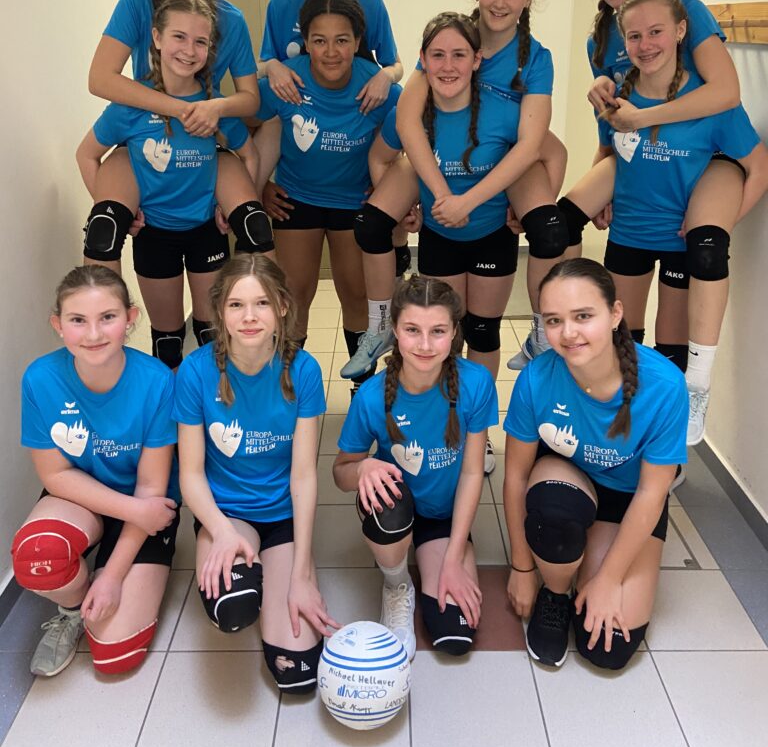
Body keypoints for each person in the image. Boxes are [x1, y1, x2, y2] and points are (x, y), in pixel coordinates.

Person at [558, 0, 768, 442]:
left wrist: (723, 222)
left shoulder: (710, 102)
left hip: (679, 241)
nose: (645, 44)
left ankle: (668, 445)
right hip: (630, 233)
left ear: (680, 31)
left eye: (656, 32)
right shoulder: (616, 97)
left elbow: (758, 167)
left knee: (670, 353)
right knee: (623, 348)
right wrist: (600, 195)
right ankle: (621, 438)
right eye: (634, 36)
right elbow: (607, 152)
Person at [503, 258, 688, 671]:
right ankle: (556, 592)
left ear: (615, 313)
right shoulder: (536, 378)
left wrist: (608, 579)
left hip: (630, 497)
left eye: (583, 316)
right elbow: (515, 476)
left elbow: (652, 492)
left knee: (606, 648)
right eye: (554, 320)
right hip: (567, 480)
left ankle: (588, 564)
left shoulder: (665, 385)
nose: (568, 333)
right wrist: (522, 567)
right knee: (554, 515)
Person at [392, 0, 569, 372]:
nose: (500, 1)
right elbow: (407, 121)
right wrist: (439, 195)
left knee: (548, 237)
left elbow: (534, 146)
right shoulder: (453, 40)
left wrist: (481, 203)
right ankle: (434, 390)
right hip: (445, 179)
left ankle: (540, 334)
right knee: (446, 329)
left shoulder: (535, 59)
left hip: (504, 174)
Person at [76, 0, 272, 371]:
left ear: (210, 50)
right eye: (179, 37)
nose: (189, 50)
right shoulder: (131, 105)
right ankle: (152, 396)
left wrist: (227, 206)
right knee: (167, 343)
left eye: (200, 42)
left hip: (204, 232)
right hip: (155, 235)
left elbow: (249, 154)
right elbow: (86, 155)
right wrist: (123, 214)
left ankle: (214, 401)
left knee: (212, 337)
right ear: (156, 38)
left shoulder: (214, 107)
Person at [350, 11, 546, 386]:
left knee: (482, 333)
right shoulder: (409, 115)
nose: (448, 65)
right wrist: (404, 210)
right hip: (440, 238)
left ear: (477, 60)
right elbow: (380, 158)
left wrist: (527, 208)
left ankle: (479, 416)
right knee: (445, 337)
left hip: (492, 235)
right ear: (422, 61)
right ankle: (448, 410)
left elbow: (552, 154)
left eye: (459, 55)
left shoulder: (505, 112)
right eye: (437, 55)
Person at [175, 254, 339, 694]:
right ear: (219, 310)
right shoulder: (195, 371)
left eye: (262, 303)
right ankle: (252, 578)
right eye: (236, 305)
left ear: (282, 306)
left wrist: (300, 575)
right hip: (227, 515)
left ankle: (281, 573)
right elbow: (190, 474)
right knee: (233, 610)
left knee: (298, 674)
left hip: (282, 516)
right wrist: (221, 532)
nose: (249, 317)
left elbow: (303, 477)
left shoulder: (303, 370)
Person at [11, 266, 178, 678]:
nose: (93, 334)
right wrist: (134, 511)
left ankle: (105, 573)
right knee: (38, 557)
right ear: (58, 325)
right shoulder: (40, 378)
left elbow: (151, 489)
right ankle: (72, 608)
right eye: (77, 320)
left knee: (114, 656)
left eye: (107, 317)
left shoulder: (157, 381)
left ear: (130, 318)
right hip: (83, 497)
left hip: (146, 505)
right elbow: (55, 476)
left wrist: (113, 578)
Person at [334, 275, 496, 659]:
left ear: (454, 332)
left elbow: (473, 472)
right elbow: (340, 472)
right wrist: (363, 468)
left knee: (454, 636)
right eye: (412, 330)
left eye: (437, 331)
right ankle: (396, 584)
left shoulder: (476, 383)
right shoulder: (371, 396)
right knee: (389, 512)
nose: (424, 344)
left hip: (443, 515)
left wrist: (454, 558)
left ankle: (439, 552)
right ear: (394, 330)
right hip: (397, 507)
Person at [87, 0, 264, 259]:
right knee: (103, 231)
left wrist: (214, 108)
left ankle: (247, 293)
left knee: (253, 226)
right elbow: (100, 79)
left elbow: (250, 99)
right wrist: (183, 110)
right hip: (144, 134)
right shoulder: (137, 3)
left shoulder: (231, 19)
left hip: (206, 136)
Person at [253, 0, 401, 395]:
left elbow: (413, 133)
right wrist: (258, 187)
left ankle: (362, 391)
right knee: (294, 295)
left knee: (355, 293)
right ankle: (289, 389)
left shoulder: (377, 86)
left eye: (342, 40)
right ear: (306, 42)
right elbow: (243, 123)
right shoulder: (287, 80)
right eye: (320, 40)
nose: (331, 52)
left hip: (355, 202)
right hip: (295, 199)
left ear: (358, 42)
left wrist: (392, 192)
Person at [259, 0, 411, 276]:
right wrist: (273, 66)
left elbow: (396, 65)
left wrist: (385, 76)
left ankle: (396, 241)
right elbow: (260, 73)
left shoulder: (369, 1)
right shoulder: (282, 1)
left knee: (359, 289)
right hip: (299, 165)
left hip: (355, 149)